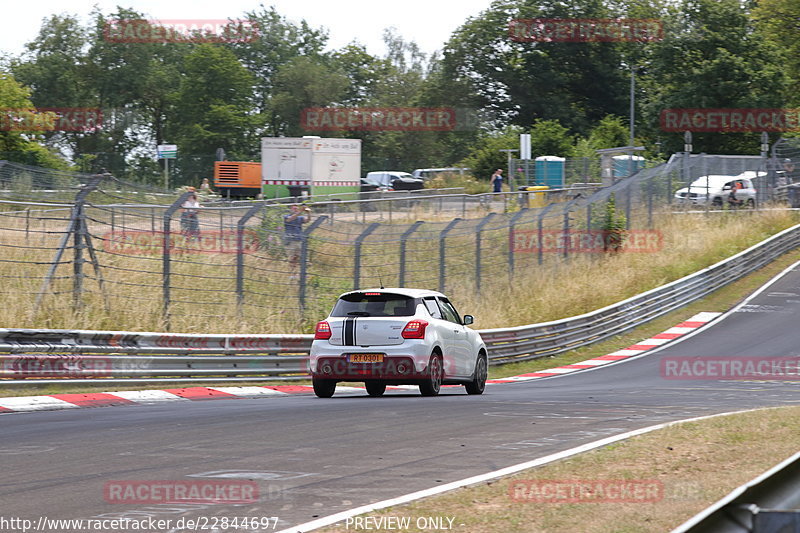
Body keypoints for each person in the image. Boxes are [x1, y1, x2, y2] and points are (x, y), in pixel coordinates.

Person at [284, 203, 311, 274]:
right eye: (294, 208)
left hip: (299, 240)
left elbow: (307, 220)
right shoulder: (286, 216)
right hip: (290, 241)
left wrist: (308, 213)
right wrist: (300, 211)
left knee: (304, 257)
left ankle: (304, 273)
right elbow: (290, 219)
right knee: (292, 258)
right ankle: (292, 273)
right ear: (290, 209)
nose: (295, 210)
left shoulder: (300, 217)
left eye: (296, 208)